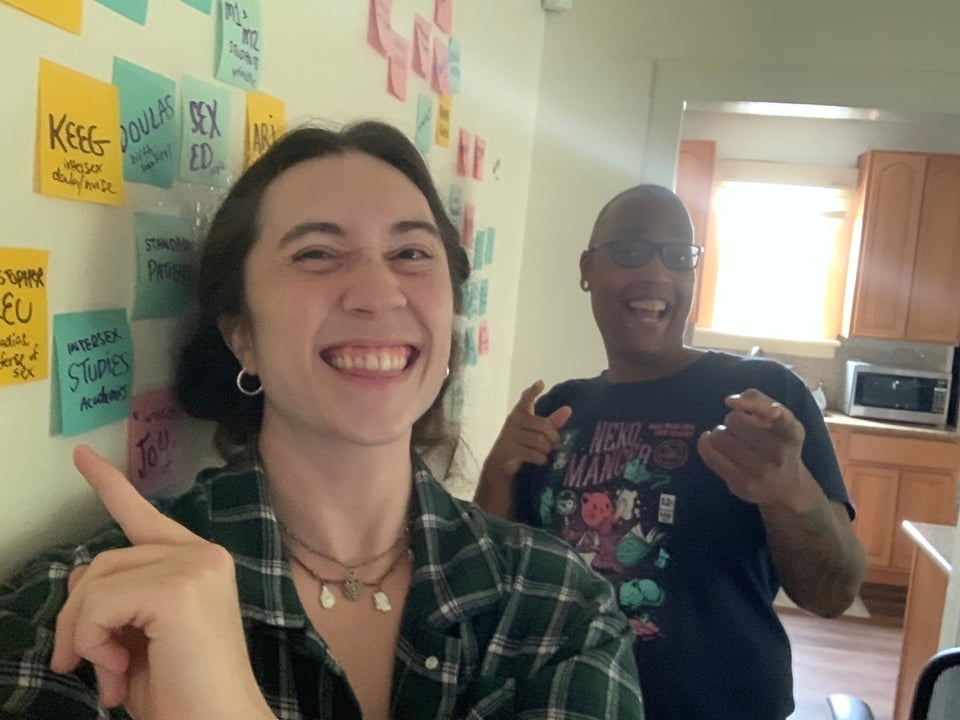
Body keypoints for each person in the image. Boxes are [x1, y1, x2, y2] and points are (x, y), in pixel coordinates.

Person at [0, 122, 644, 719]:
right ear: (241, 335)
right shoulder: (90, 600)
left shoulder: (559, 608)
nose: (377, 293)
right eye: (315, 253)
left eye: (413, 254)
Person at [475, 184, 866, 720]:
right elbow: (490, 582)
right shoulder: (561, 408)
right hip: (567, 706)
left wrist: (789, 492)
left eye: (679, 256)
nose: (657, 274)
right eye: (631, 251)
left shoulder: (764, 399)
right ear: (588, 268)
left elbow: (833, 592)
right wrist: (499, 470)